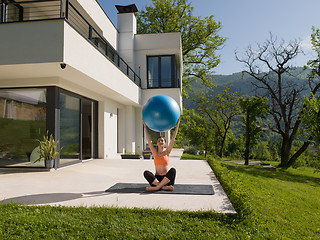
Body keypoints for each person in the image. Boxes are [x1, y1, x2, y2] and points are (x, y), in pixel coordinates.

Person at [143, 118, 181, 191]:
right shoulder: (155, 152)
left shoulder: (167, 152)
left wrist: (177, 125)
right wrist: (145, 127)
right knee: (146, 173)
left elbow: (173, 138)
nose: (160, 141)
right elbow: (149, 140)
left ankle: (157, 187)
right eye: (159, 141)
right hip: (156, 180)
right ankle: (162, 187)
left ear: (165, 143)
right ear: (157, 143)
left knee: (173, 170)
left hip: (167, 179)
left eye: (162, 140)